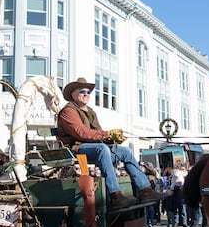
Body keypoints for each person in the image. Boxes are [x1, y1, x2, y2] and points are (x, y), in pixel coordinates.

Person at [55, 77, 163, 207]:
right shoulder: (68, 111)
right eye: (82, 91)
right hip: (75, 149)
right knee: (102, 149)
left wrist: (112, 138)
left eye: (88, 92)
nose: (86, 94)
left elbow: (98, 133)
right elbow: (80, 132)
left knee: (125, 151)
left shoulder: (90, 112)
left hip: (91, 148)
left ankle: (145, 191)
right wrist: (107, 134)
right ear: (73, 94)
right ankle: (115, 195)